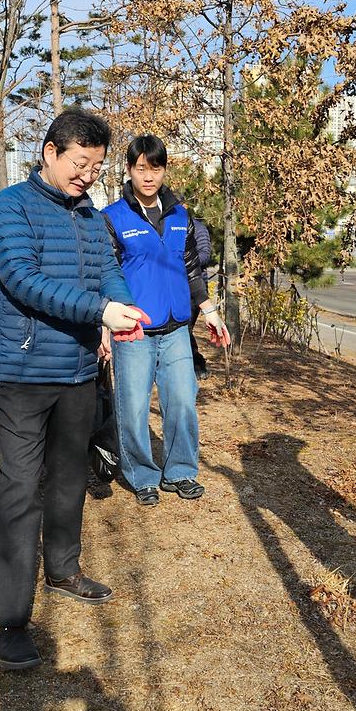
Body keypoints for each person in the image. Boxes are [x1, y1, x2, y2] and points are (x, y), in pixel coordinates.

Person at [0, 108, 148, 671]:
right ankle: (11, 620)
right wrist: (101, 309)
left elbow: (108, 270)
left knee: (71, 477)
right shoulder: (8, 208)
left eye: (97, 167)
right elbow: (24, 281)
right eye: (81, 164)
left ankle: (64, 569)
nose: (88, 176)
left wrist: (120, 307)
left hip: (78, 370)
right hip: (23, 374)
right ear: (50, 152)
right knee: (19, 489)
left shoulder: (87, 213)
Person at [102, 134, 230, 507]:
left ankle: (181, 471)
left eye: (155, 168)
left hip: (176, 328)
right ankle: (142, 476)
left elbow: (192, 269)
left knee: (182, 402)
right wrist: (106, 326)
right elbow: (105, 273)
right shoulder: (112, 218)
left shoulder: (180, 215)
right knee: (134, 406)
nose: (148, 176)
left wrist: (209, 310)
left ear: (164, 170)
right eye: (141, 168)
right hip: (134, 330)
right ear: (129, 170)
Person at [188, 215, 213, 380]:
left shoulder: (198, 228)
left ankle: (198, 364)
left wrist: (183, 259)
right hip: (175, 288)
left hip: (195, 288)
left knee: (185, 329)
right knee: (182, 329)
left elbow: (206, 254)